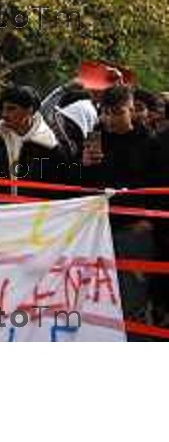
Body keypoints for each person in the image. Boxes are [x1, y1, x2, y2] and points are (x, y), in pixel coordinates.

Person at [80, 85, 157, 335]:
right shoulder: (96, 137)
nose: (111, 118)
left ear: (132, 110)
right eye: (106, 112)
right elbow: (81, 182)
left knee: (132, 296)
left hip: (133, 230)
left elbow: (157, 185)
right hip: (97, 227)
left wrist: (147, 219)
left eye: (117, 112)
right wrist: (84, 164)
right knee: (98, 296)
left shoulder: (150, 143)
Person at [0, 86, 68, 198]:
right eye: (3, 109)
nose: (4, 114)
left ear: (30, 110)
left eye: (11, 109)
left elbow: (59, 189)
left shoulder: (50, 147)